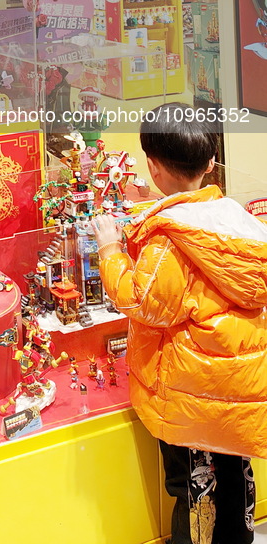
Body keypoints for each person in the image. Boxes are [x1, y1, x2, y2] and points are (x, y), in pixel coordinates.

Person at [92, 106, 267, 544]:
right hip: (237, 391)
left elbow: (141, 300)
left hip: (190, 394)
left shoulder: (169, 241)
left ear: (151, 165)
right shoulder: (238, 223)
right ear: (211, 163)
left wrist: (110, 248)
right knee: (234, 475)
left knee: (194, 487)